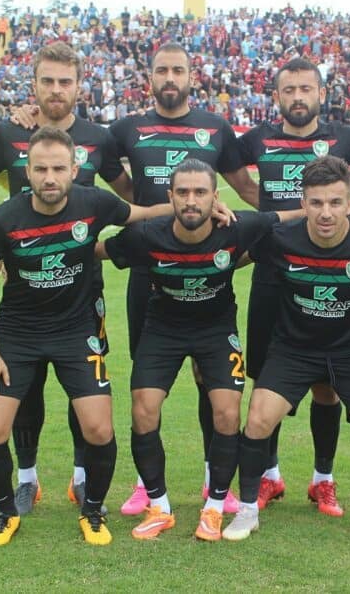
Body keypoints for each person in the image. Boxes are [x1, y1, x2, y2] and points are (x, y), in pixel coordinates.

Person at [0, 126, 172, 547]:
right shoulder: (2, 219)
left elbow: (140, 214)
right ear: (26, 171)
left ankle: (92, 511)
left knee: (98, 428)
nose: (50, 178)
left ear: (74, 169)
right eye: (40, 169)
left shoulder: (94, 202)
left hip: (76, 329)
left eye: (58, 169)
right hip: (18, 333)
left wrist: (195, 207)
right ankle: (5, 513)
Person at [222, 155, 350, 547]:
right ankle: (247, 509)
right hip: (292, 349)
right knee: (258, 420)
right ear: (303, 203)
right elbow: (231, 256)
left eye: (335, 202)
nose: (325, 212)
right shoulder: (279, 239)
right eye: (316, 202)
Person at [0, 40, 132, 516]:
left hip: (83, 295)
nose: (56, 90)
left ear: (79, 86)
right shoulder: (8, 134)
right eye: (48, 81)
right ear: (33, 83)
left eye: (65, 82)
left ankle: (81, 476)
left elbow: (130, 198)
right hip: (23, 295)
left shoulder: (99, 138)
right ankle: (27, 479)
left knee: (85, 395)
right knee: (26, 390)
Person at [98, 159, 300, 542]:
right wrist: (24, 257)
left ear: (215, 198)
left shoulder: (239, 227)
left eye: (200, 192)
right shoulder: (146, 235)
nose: (191, 200)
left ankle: (214, 507)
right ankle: (159, 507)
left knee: (227, 412)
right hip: (163, 329)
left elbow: (288, 216)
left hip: (216, 330)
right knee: (143, 409)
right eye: (183, 192)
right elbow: (98, 250)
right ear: (170, 196)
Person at [107, 42, 258, 515]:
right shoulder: (127, 128)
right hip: (150, 269)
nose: (170, 77)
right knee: (147, 378)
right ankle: (143, 484)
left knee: (210, 382)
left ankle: (216, 480)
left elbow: (246, 188)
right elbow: (107, 173)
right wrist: (147, 211)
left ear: (192, 76)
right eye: (162, 70)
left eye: (178, 70)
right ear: (149, 78)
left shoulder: (215, 127)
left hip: (205, 267)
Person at [236, 57, 350, 516]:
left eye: (305, 89)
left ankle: (323, 479)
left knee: (327, 386)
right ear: (276, 96)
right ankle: (269, 475)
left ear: (321, 93)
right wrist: (266, 207)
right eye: (289, 90)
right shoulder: (257, 139)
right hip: (273, 275)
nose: (297, 97)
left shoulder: (346, 137)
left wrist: (346, 206)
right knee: (267, 379)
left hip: (328, 265)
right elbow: (234, 172)